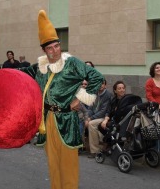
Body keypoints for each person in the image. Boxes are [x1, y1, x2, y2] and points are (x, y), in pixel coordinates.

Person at [21, 10, 103, 189]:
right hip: (48, 120)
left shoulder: (71, 63)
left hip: (67, 121)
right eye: (50, 48)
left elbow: (97, 77)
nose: (55, 50)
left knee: (68, 165)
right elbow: (19, 77)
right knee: (53, 163)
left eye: (57, 46)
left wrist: (79, 99)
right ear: (44, 50)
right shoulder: (40, 67)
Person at [85, 79, 112, 158]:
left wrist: (91, 118)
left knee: (91, 124)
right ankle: (82, 146)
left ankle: (95, 151)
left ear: (105, 85)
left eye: (102, 84)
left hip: (104, 117)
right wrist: (87, 117)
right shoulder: (94, 93)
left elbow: (103, 111)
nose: (100, 86)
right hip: (95, 116)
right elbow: (90, 108)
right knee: (83, 120)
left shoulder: (108, 95)